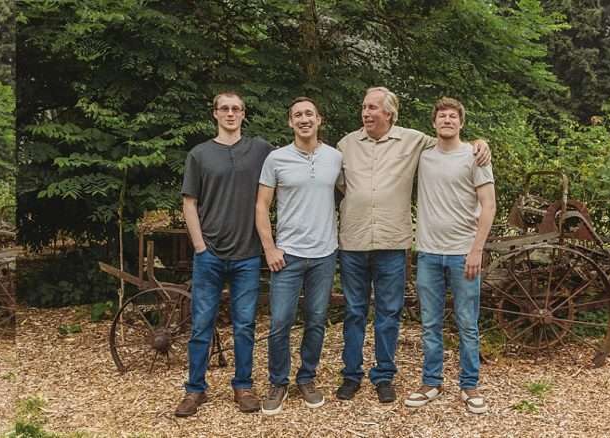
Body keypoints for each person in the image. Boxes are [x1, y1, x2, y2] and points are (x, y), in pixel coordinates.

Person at [335, 87, 491, 403]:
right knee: (354, 311)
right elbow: (335, 185)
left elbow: (452, 143)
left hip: (394, 242)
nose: (366, 113)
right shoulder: (346, 145)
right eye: (364, 107)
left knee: (390, 312)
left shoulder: (414, 142)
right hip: (355, 240)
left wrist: (481, 143)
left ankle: (385, 377)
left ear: (389, 114)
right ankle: (352, 376)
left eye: (374, 108)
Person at [174, 91, 273, 418]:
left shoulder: (260, 150)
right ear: (215, 114)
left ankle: (243, 385)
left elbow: (285, 176)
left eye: (236, 109)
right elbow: (190, 203)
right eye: (224, 109)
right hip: (210, 255)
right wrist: (200, 246)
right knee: (202, 324)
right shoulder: (200, 154)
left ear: (244, 114)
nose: (230, 113)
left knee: (245, 325)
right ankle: (195, 390)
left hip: (247, 254)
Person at [404, 97, 495, 414]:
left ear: (461, 122)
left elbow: (489, 206)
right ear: (434, 123)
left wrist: (476, 250)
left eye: (453, 116)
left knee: (467, 323)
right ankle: (431, 382)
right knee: (430, 324)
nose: (447, 120)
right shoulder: (423, 157)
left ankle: (470, 386)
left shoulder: (475, 156)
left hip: (462, 254)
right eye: (441, 115)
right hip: (428, 253)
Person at [256, 97, 341, 415]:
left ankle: (307, 377)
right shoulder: (276, 159)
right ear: (290, 123)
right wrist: (269, 247)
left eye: (309, 114)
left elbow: (353, 193)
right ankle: (278, 382)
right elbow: (261, 205)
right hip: (287, 255)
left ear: (319, 120)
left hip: (324, 254)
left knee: (317, 320)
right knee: (280, 322)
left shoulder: (335, 157)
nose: (304, 119)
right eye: (297, 115)